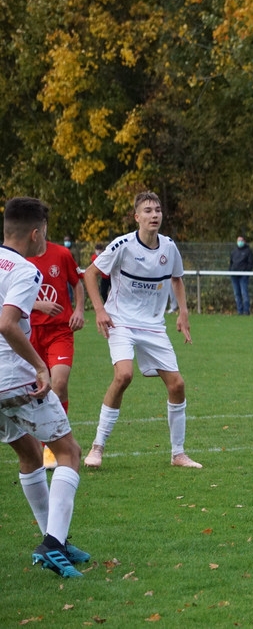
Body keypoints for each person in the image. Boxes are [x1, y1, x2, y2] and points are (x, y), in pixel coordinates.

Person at [1, 197, 89, 578]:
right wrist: (39, 367)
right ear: (36, 234)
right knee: (69, 451)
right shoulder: (24, 269)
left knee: (28, 453)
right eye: (45, 234)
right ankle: (52, 545)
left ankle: (57, 538)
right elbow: (6, 324)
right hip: (13, 376)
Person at [82, 192, 202, 469]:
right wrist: (100, 310)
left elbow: (177, 280)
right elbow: (89, 274)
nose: (154, 215)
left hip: (152, 326)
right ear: (137, 217)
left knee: (178, 385)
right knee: (124, 375)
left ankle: (178, 454)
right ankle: (97, 447)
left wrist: (183, 313)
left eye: (158, 210)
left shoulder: (169, 247)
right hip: (121, 321)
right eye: (147, 210)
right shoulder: (122, 245)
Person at [28, 239, 86, 469]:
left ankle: (53, 447)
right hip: (29, 333)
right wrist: (37, 305)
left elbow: (77, 283)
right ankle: (43, 445)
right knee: (38, 387)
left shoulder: (61, 254)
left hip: (60, 331)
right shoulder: (18, 257)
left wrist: (79, 310)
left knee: (58, 383)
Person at [229, 235, 253, 315]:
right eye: (238, 240)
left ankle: (246, 311)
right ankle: (239, 311)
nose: (239, 242)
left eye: (241, 240)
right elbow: (231, 263)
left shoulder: (248, 251)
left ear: (244, 241)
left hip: (243, 276)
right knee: (237, 294)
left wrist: (245, 271)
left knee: (244, 293)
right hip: (234, 275)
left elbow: (251, 264)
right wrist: (231, 271)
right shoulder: (234, 252)